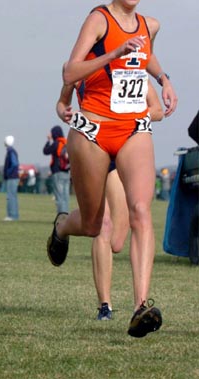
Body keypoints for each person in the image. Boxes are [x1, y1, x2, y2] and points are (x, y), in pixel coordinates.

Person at [47, 0, 178, 338]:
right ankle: (61, 226)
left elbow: (146, 58)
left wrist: (165, 79)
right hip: (92, 131)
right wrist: (113, 53)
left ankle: (140, 306)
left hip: (133, 127)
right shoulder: (98, 20)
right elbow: (70, 71)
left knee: (141, 211)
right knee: (92, 224)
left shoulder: (146, 25)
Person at [56, 78, 164, 321]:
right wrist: (67, 114)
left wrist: (135, 115)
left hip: (123, 148)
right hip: (91, 145)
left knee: (116, 241)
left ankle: (62, 225)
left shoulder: (133, 72)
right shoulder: (80, 68)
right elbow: (62, 103)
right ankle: (105, 305)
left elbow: (157, 110)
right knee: (101, 227)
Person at [3, 135, 19, 221]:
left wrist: (8, 172)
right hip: (14, 177)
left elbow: (14, 164)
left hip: (12, 177)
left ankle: (12, 215)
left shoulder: (11, 151)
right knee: (13, 196)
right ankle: (14, 215)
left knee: (10, 196)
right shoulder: (11, 151)